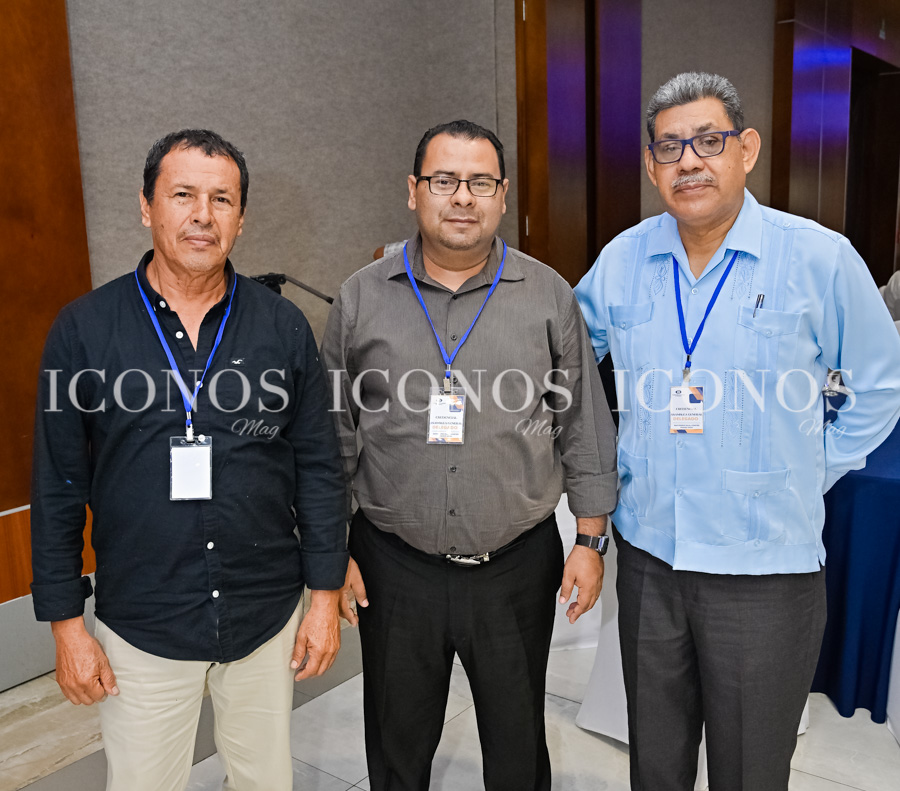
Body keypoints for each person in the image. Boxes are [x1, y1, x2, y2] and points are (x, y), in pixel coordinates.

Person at [575, 72, 900, 791]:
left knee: (750, 770)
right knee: (654, 763)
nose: (689, 161)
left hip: (766, 573)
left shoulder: (818, 257)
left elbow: (882, 385)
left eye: (709, 141)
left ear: (746, 149)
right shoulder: (624, 259)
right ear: (651, 166)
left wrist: (811, 466)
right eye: (669, 147)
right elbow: (563, 356)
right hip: (651, 559)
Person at [30, 129, 348, 791]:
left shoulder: (282, 326)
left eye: (221, 199)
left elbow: (319, 468)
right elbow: (58, 486)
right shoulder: (85, 329)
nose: (204, 214)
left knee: (266, 780)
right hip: (142, 621)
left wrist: (323, 597)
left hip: (265, 613)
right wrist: (66, 625)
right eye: (183, 195)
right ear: (147, 206)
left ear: (241, 218)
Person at [321, 119, 618, 791]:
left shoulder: (547, 294)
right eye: (444, 180)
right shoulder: (362, 296)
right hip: (393, 566)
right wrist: (331, 551)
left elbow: (582, 423)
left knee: (517, 747)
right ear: (413, 190)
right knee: (397, 748)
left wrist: (590, 540)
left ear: (503, 195)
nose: (462, 197)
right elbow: (332, 434)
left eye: (481, 182)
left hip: (514, 566)